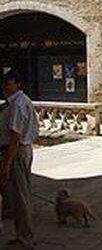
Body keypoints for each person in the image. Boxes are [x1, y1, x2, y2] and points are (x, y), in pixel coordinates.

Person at [0, 70, 37, 248]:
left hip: (17, 151)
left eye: (8, 84)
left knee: (20, 196)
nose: (5, 88)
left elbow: (15, 136)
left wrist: (6, 163)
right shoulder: (19, 102)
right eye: (4, 84)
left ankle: (25, 238)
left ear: (17, 85)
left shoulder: (17, 104)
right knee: (20, 195)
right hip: (22, 150)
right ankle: (22, 234)